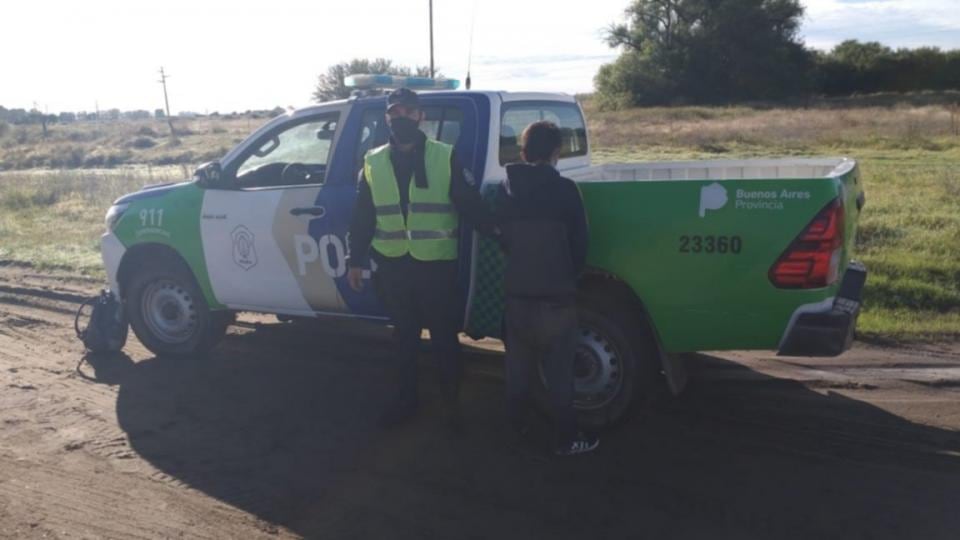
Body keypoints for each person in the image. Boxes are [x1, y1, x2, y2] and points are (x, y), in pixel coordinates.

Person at [346, 88, 495, 430]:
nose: (402, 118)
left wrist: (499, 234)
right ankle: (405, 401)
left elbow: (468, 203)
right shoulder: (373, 162)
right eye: (395, 113)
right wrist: (355, 259)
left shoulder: (445, 156)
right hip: (394, 266)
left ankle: (452, 407)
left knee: (444, 338)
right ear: (387, 118)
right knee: (404, 339)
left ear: (420, 117)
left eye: (408, 113)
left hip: (435, 267)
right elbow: (363, 216)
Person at [495, 120, 597, 456]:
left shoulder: (505, 190)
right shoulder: (567, 191)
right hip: (556, 297)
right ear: (557, 152)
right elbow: (580, 245)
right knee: (559, 374)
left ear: (523, 153)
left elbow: (504, 241)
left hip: (517, 295)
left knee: (518, 371)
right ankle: (568, 438)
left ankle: (514, 432)